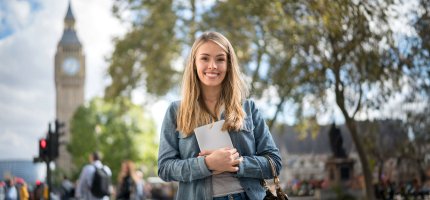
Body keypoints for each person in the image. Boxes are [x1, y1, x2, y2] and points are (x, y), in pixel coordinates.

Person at [158, 31, 282, 200]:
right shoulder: (176, 111)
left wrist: (237, 163)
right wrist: (207, 164)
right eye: (205, 58)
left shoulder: (248, 108)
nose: (212, 66)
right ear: (194, 63)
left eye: (220, 59)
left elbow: (274, 162)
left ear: (229, 64)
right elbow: (165, 168)